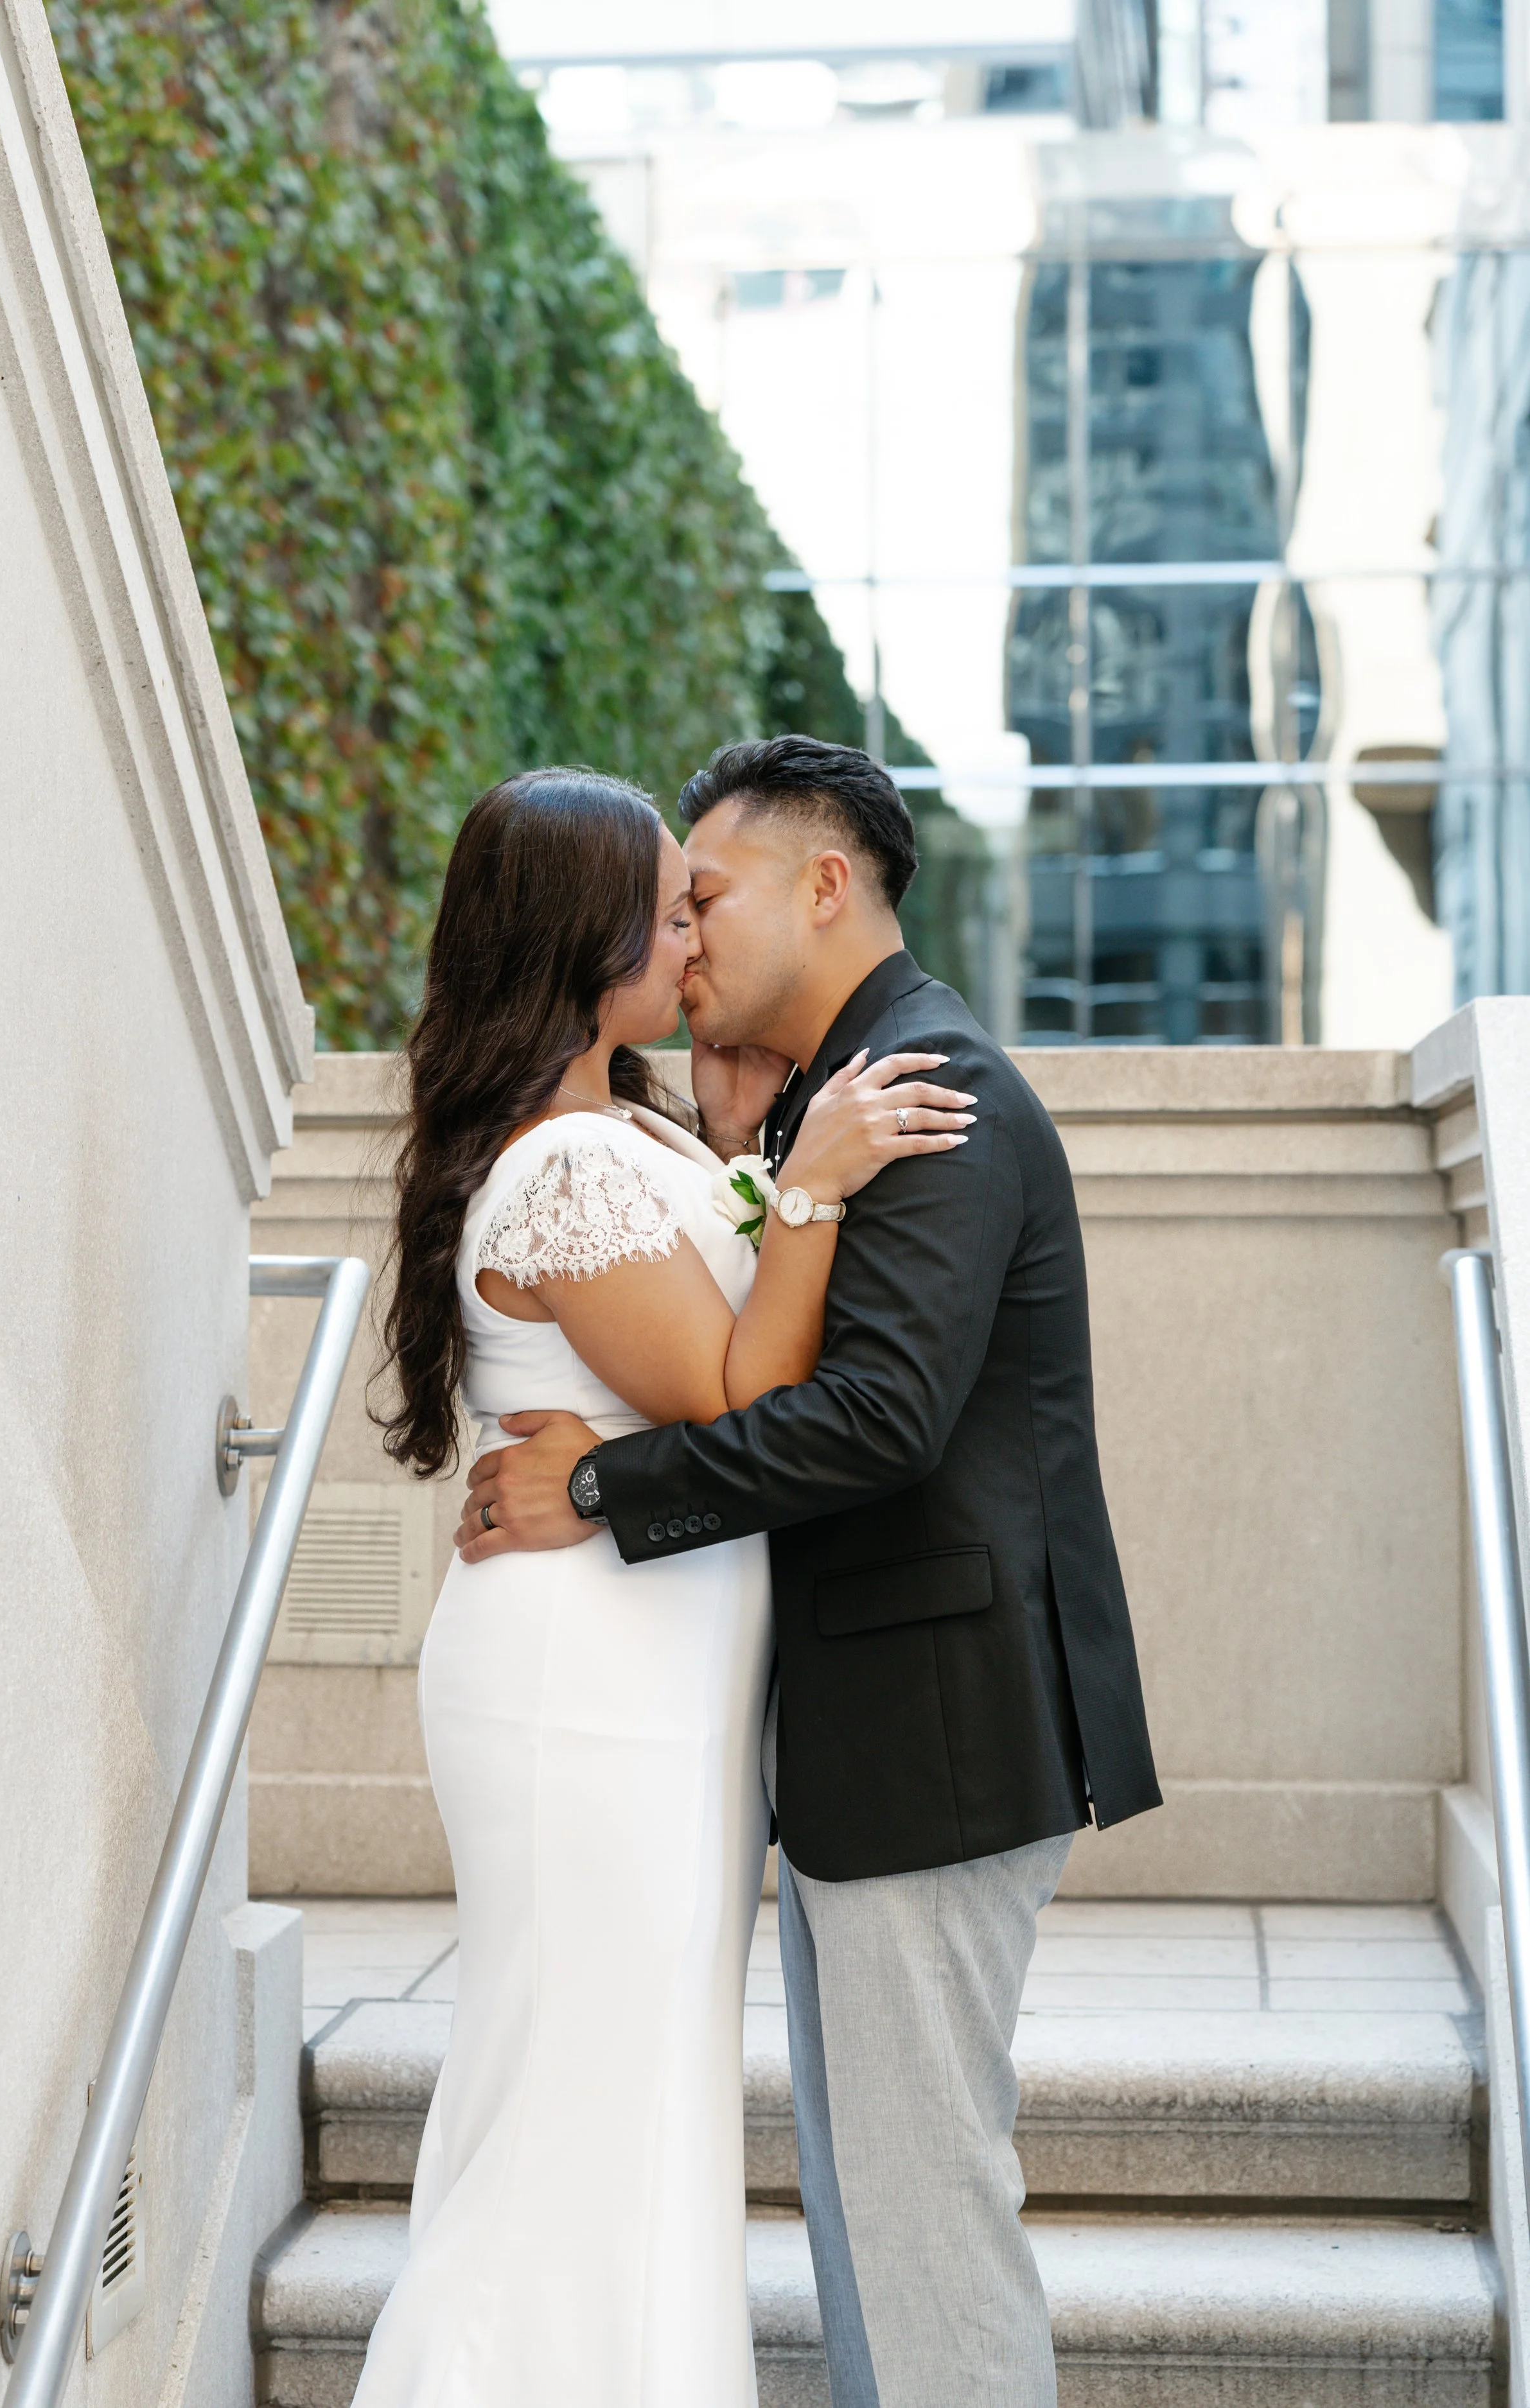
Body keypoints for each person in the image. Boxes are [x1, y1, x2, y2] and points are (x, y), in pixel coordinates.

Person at [459, 735, 1163, 2408]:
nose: (684, 935)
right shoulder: (832, 1093)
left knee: (917, 2213)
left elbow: (876, 1421)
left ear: (824, 884)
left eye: (707, 893)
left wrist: (604, 1484)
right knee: (879, 2204)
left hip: (933, 1728)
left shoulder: (934, 1087)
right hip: (882, 1729)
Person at [354, 765, 973, 2407]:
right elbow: (733, 1392)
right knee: (578, 2097)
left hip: (661, 1679)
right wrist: (817, 1176)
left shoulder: (621, 1129)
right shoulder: (559, 1170)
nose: (692, 921)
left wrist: (749, 1145)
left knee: (636, 2101)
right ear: (580, 933)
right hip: (588, 1692)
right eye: (665, 898)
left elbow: (719, 1284)